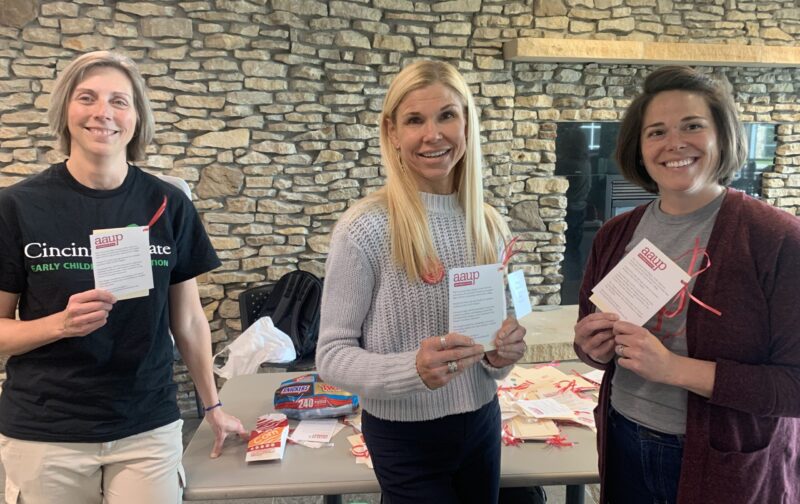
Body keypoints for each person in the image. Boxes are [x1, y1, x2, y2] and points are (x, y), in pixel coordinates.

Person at [0, 51, 247, 504]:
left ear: (136, 118)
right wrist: (60, 324)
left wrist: (213, 406)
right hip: (46, 432)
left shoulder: (167, 204)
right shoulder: (16, 207)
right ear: (65, 112)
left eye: (120, 100)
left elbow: (188, 321)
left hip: (146, 427)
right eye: (87, 97)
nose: (103, 113)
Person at [573, 65, 800, 504]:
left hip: (725, 463)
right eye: (656, 132)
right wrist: (590, 346)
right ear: (639, 149)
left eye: (692, 126)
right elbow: (590, 340)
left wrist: (675, 370)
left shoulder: (777, 239)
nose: (674, 143)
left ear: (723, 136)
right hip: (623, 441)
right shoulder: (615, 234)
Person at [316, 60, 528, 504]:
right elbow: (332, 357)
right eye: (415, 120)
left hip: (482, 421)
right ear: (392, 132)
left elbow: (495, 356)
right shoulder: (364, 229)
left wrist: (502, 352)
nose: (433, 134)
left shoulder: (489, 226)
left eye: (447, 115)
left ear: (467, 123)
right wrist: (410, 370)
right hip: (403, 437)